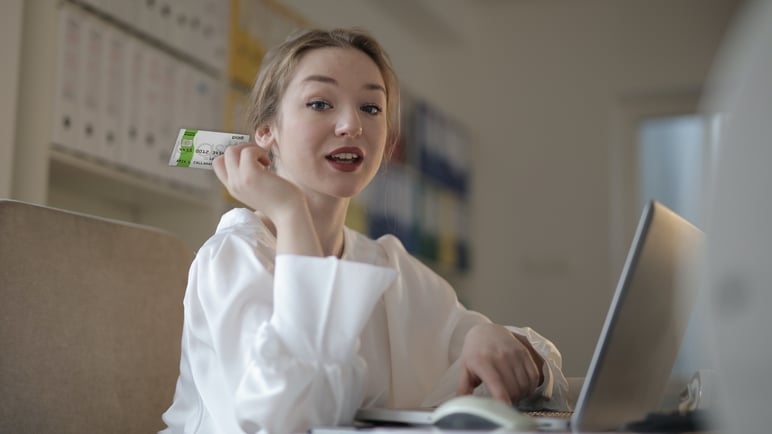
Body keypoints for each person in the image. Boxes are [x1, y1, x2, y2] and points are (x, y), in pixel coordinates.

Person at [160, 27, 569, 434]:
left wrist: (502, 342)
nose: (351, 125)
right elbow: (288, 418)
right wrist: (289, 212)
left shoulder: (389, 263)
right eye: (320, 103)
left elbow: (537, 366)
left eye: (371, 108)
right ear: (267, 132)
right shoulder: (234, 254)